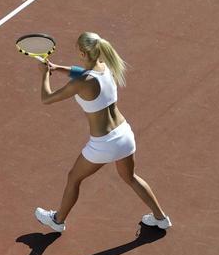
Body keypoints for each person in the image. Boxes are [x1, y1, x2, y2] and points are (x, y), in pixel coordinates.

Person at [33, 31, 171, 233]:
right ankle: (161, 218)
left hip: (103, 144)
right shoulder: (106, 69)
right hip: (124, 135)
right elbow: (85, 73)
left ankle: (57, 220)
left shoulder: (82, 82)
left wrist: (44, 74)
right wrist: (57, 68)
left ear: (81, 52)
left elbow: (47, 98)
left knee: (74, 178)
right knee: (130, 177)